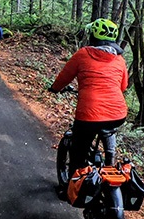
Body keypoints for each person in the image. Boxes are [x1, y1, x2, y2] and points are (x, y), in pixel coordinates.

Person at [49, 17, 128, 178]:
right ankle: (110, 159)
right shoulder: (119, 60)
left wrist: (55, 88)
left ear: (92, 36)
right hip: (118, 114)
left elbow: (65, 77)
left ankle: (71, 185)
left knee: (78, 153)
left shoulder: (83, 54)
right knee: (107, 126)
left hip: (89, 114)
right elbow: (123, 86)